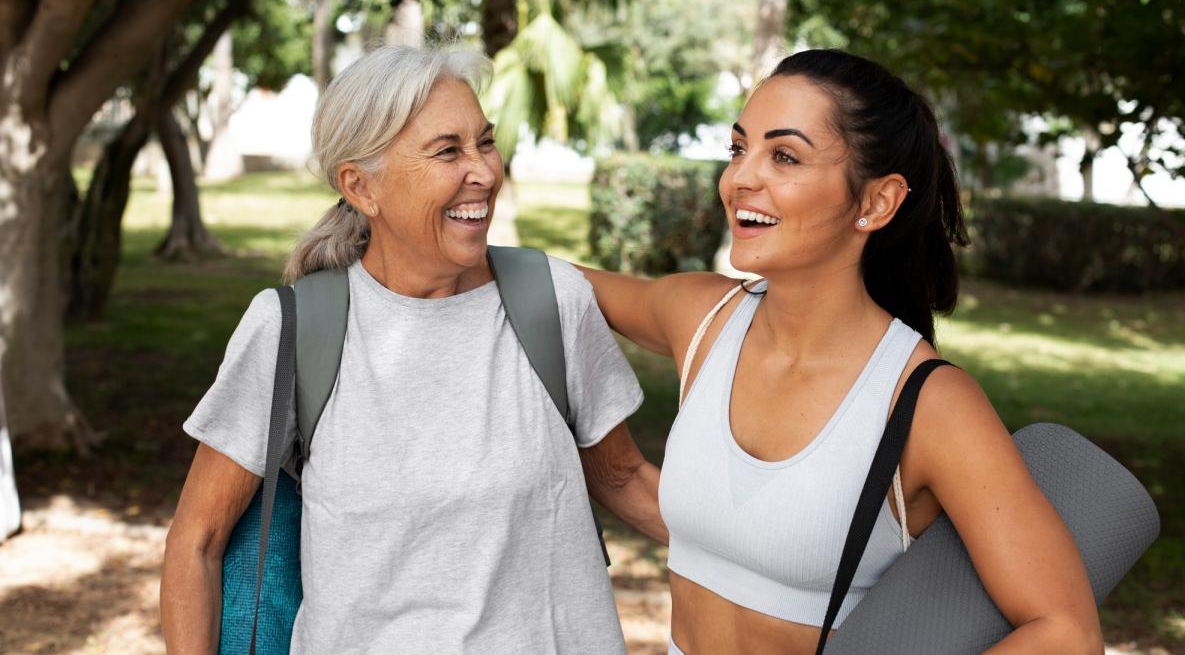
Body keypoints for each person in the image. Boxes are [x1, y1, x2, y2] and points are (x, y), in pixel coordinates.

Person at [579, 49, 1103, 654]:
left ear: (876, 202)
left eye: (784, 156)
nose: (739, 178)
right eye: (738, 148)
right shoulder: (703, 318)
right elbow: (551, 285)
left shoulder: (928, 403)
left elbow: (1066, 632)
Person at [160, 46, 666, 654]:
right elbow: (197, 541)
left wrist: (763, 557)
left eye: (485, 142)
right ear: (361, 186)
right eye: (448, 151)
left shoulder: (553, 301)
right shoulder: (291, 330)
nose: (484, 172)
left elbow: (622, 476)